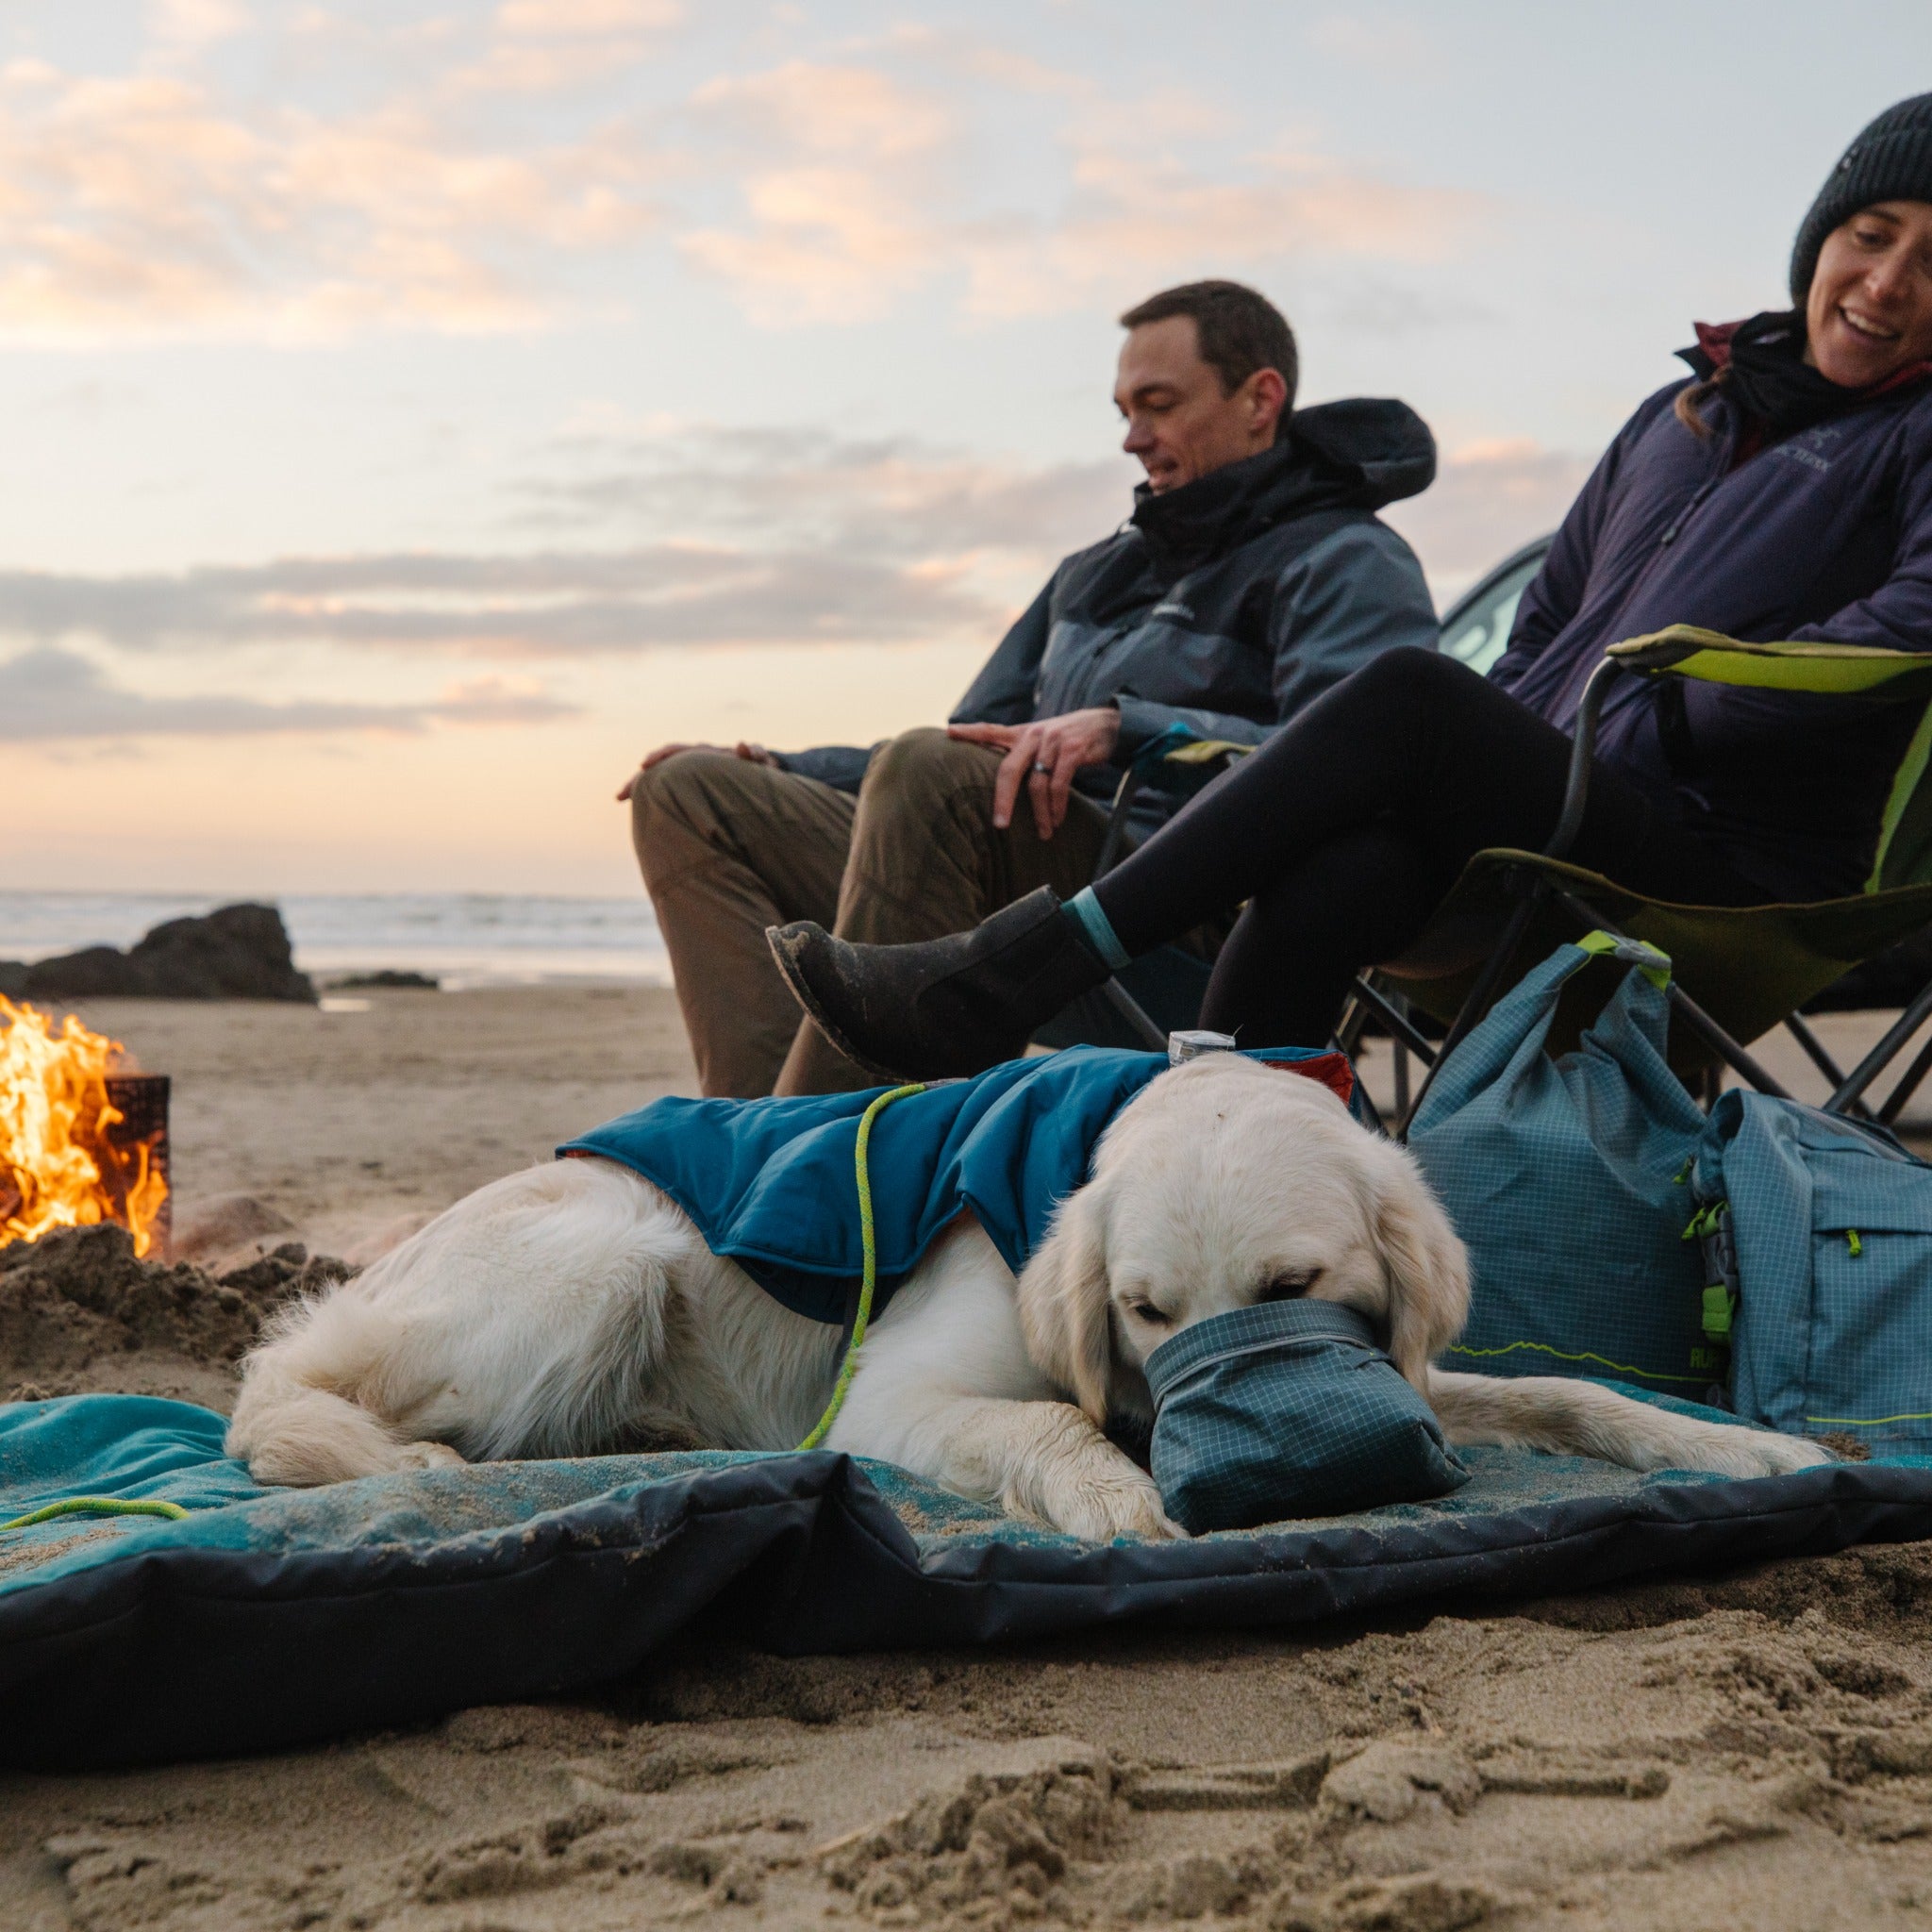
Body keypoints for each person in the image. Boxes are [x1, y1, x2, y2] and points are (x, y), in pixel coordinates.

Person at [770, 94, 1932, 1083]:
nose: (1883, 282)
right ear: (1817, 238)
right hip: (1575, 814)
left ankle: (1016, 973)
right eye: (1868, 235)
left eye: (1930, 261)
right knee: (1344, 872)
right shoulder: (1682, 413)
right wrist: (1510, 754)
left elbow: (1911, 625)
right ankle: (1217, 1170)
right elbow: (1546, 618)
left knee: (1414, 694)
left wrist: (1667, 703)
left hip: (1736, 867)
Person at [620, 279, 1440, 1096]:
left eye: (1157, 404)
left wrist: (1130, 728)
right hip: (1016, 884)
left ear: (1261, 399)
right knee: (688, 792)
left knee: (936, 780)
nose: (1132, 438)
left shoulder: (1346, 557)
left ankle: (820, 1170)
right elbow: (961, 753)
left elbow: (1365, 763)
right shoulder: (1092, 573)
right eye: (1123, 411)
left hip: (1184, 912)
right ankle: (742, 1142)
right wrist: (779, 764)